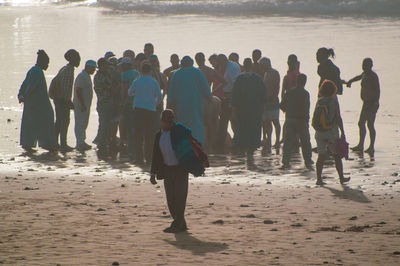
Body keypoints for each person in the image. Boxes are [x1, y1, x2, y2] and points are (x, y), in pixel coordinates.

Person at [150, 109, 209, 233]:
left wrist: (200, 160)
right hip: (167, 170)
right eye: (165, 122)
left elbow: (194, 145)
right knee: (171, 200)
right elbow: (156, 155)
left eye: (169, 122)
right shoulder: (158, 136)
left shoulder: (180, 132)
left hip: (180, 170)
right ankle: (180, 223)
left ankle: (178, 224)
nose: (167, 124)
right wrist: (153, 173)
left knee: (180, 198)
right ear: (161, 121)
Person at [18, 50, 57, 153]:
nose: (48, 65)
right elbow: (31, 86)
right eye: (47, 63)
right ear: (42, 62)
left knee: (31, 123)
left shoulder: (33, 70)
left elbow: (25, 83)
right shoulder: (37, 71)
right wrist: (24, 96)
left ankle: (29, 143)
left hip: (33, 103)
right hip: (37, 103)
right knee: (46, 120)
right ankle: (47, 144)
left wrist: (21, 95)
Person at [167, 56, 212, 145]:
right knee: (196, 123)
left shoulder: (177, 74)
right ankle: (197, 143)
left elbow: (171, 92)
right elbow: (205, 88)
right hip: (195, 103)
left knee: (183, 123)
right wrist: (209, 98)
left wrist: (169, 104)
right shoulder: (197, 72)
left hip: (181, 104)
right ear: (191, 63)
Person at [313, 80, 350, 185]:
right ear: (333, 90)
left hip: (319, 132)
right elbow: (338, 117)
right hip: (331, 132)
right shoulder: (333, 101)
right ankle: (341, 178)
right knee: (336, 155)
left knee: (321, 155)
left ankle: (319, 179)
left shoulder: (319, 101)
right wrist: (342, 131)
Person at [231, 58, 267, 157]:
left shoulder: (239, 79)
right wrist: (262, 110)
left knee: (242, 129)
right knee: (253, 129)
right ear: (251, 65)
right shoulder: (258, 78)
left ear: (243, 65)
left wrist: (233, 110)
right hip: (255, 110)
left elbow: (234, 96)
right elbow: (264, 96)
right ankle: (251, 150)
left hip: (242, 110)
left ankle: (243, 150)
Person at [128, 62, 162, 164]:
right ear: (150, 71)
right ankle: (149, 157)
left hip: (138, 109)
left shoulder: (137, 81)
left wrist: (137, 94)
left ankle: (139, 158)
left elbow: (130, 93)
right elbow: (159, 97)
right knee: (150, 135)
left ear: (141, 71)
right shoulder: (154, 82)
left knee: (138, 134)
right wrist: (154, 104)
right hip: (151, 110)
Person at [347, 58, 380, 155]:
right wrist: (350, 81)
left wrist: (375, 103)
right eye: (363, 65)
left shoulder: (373, 76)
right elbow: (358, 77)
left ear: (370, 66)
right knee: (361, 123)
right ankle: (360, 145)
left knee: (369, 125)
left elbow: (377, 90)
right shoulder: (364, 74)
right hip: (365, 103)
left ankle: (371, 147)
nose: (363, 67)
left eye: (365, 65)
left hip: (372, 103)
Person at [280, 74, 313, 168]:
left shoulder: (289, 92)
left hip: (290, 119)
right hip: (302, 120)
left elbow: (282, 106)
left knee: (288, 141)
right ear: (305, 82)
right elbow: (307, 108)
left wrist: (289, 110)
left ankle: (285, 161)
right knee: (305, 142)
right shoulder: (306, 94)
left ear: (297, 81)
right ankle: (308, 160)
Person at [52, 49, 80, 152]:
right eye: (77, 58)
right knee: (64, 121)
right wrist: (68, 102)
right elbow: (65, 88)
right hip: (62, 100)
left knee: (59, 121)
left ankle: (55, 143)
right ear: (73, 59)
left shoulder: (65, 68)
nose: (79, 60)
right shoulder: (69, 70)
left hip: (59, 99)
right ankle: (62, 144)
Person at [215, 54, 241, 151]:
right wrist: (215, 91)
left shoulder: (232, 68)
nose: (219, 65)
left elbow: (236, 84)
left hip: (231, 96)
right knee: (226, 120)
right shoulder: (226, 67)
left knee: (229, 119)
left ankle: (235, 141)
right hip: (226, 95)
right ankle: (227, 141)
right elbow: (226, 82)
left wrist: (230, 97)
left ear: (223, 60)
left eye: (219, 62)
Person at [73, 60, 97, 152]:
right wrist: (82, 104)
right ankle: (79, 143)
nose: (94, 70)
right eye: (93, 68)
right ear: (88, 67)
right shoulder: (82, 76)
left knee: (84, 123)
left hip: (85, 104)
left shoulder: (86, 76)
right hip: (81, 104)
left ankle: (82, 141)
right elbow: (78, 91)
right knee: (80, 123)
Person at [119, 57, 140, 157]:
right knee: (136, 126)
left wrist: (122, 103)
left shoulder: (124, 75)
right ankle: (137, 148)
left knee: (129, 126)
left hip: (128, 103)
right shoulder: (136, 73)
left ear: (126, 65)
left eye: (123, 65)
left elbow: (125, 90)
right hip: (137, 103)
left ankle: (131, 149)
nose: (122, 67)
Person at [94, 58, 113, 158]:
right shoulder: (101, 76)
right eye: (106, 65)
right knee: (104, 124)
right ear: (101, 66)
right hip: (104, 102)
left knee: (104, 124)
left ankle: (102, 142)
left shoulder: (100, 75)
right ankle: (101, 144)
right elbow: (110, 87)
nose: (108, 67)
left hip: (103, 102)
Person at [260, 58, 281, 150]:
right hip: (266, 101)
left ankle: (277, 141)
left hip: (273, 100)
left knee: (275, 121)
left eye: (262, 65)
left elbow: (277, 86)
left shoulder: (274, 73)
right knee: (266, 122)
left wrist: (273, 97)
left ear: (266, 65)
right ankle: (268, 140)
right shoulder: (265, 73)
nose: (261, 67)